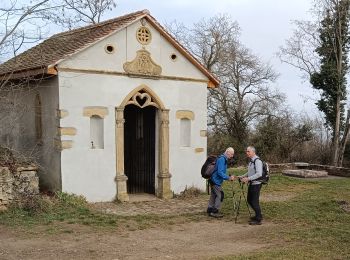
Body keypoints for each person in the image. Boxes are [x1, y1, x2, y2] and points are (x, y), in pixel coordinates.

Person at [207, 147, 235, 218]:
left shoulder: (222, 158)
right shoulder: (222, 159)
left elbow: (222, 170)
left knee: (214, 194)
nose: (232, 156)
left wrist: (227, 175)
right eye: (231, 154)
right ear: (227, 152)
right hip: (215, 180)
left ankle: (210, 209)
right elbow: (220, 172)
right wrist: (228, 178)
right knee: (220, 195)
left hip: (213, 179)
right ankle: (214, 211)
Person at [239, 146, 263, 225]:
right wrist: (243, 176)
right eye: (247, 151)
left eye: (249, 151)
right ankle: (257, 215)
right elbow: (249, 172)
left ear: (253, 152)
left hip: (256, 184)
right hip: (251, 183)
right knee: (249, 200)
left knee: (254, 201)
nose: (247, 153)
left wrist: (248, 179)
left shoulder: (257, 161)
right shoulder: (251, 161)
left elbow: (259, 174)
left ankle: (258, 219)